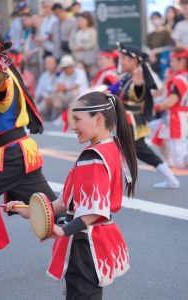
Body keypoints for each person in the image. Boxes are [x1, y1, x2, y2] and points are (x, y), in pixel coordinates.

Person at [7, 91, 137, 299]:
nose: (73, 126)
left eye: (77, 119)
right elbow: (64, 203)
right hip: (98, 240)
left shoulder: (92, 157)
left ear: (98, 119)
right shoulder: (111, 147)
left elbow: (94, 209)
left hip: (86, 244)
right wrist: (29, 210)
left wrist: (63, 230)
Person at [0, 27, 57, 207]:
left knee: (51, 212)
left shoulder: (0, 75)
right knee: (52, 212)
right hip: (17, 154)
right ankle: (81, 231)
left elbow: (1, 97)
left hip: (10, 155)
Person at [109, 43, 180, 189]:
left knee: (132, 151)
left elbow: (140, 95)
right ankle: (169, 178)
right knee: (130, 151)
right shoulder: (127, 76)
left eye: (124, 58)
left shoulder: (138, 78)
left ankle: (170, 179)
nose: (121, 61)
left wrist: (140, 86)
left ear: (134, 61)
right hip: (126, 120)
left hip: (132, 122)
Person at [154, 47, 188, 168]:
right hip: (176, 115)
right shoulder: (179, 76)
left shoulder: (180, 79)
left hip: (177, 116)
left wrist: (154, 107)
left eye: (173, 61)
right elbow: (162, 93)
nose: (170, 64)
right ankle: (168, 160)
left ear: (182, 61)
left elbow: (170, 102)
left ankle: (171, 161)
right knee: (158, 133)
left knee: (180, 156)